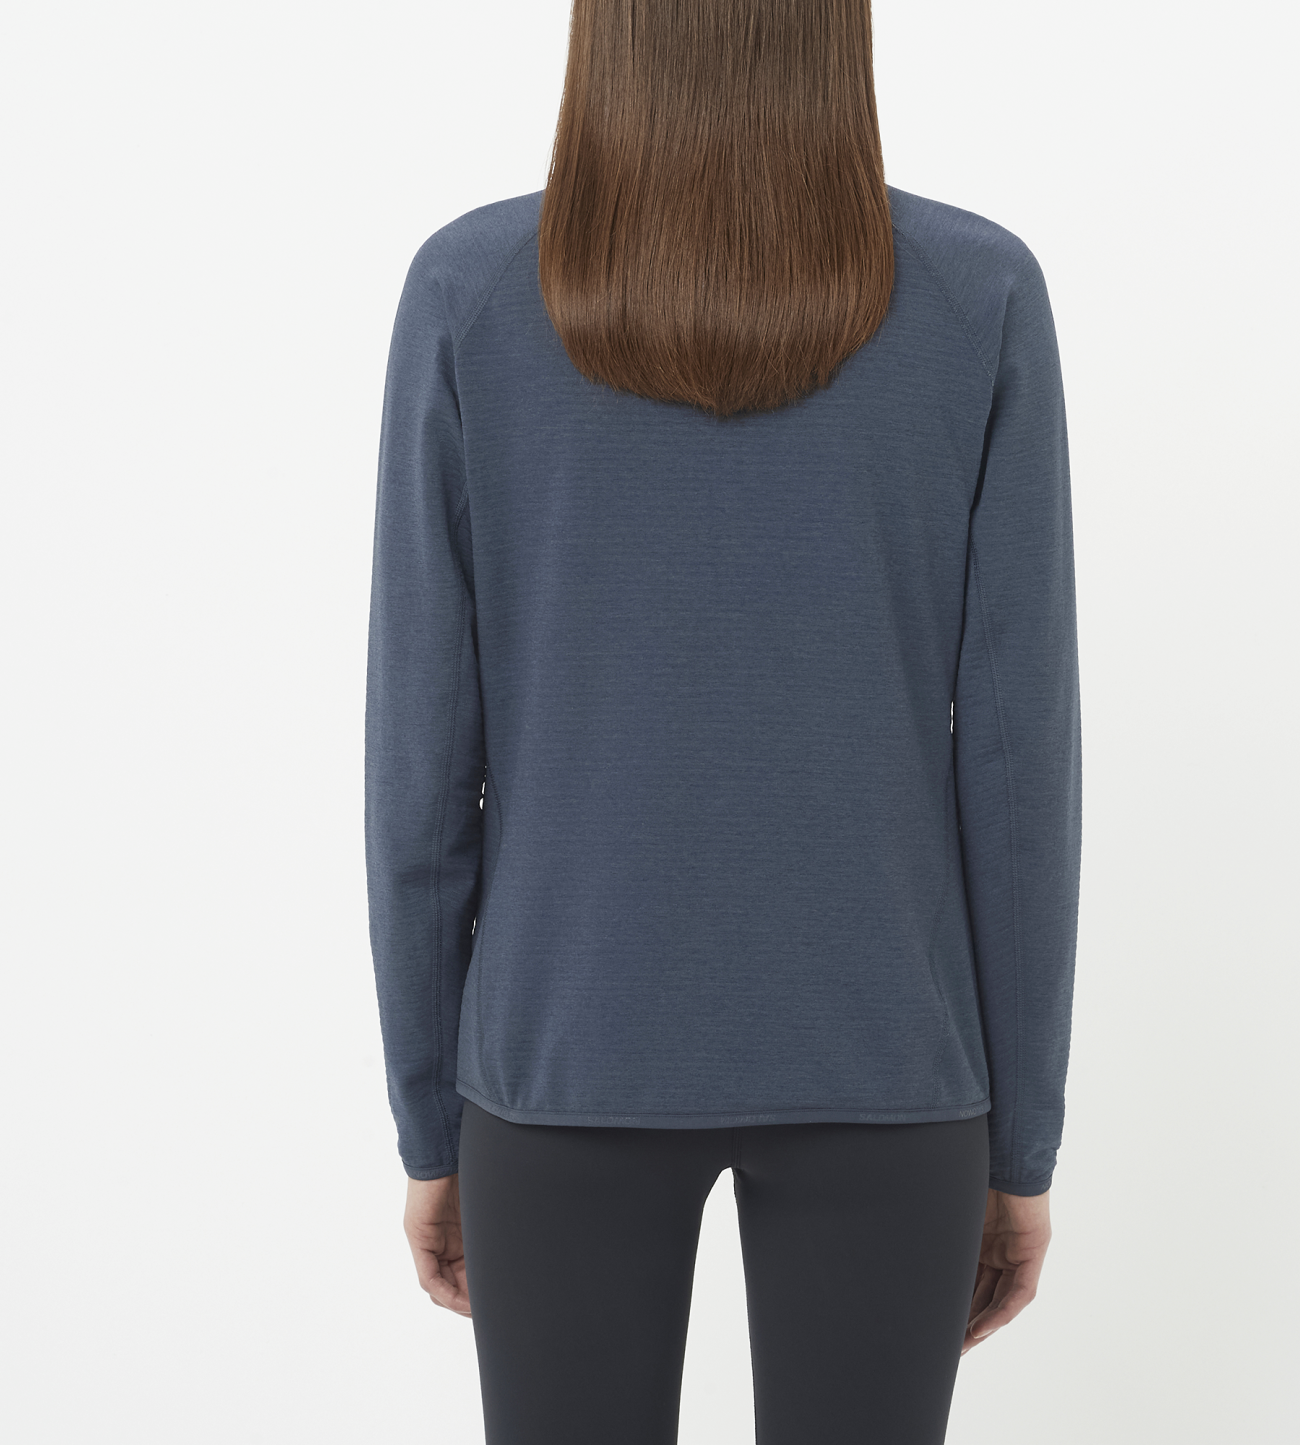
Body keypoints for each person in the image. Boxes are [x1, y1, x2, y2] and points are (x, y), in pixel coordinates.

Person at [364, 2, 1080, 1441]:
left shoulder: (473, 293)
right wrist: (1022, 1142)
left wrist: (432, 1119)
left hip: (562, 1051)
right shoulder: (977, 295)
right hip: (891, 1061)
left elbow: (424, 762)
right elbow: (1017, 774)